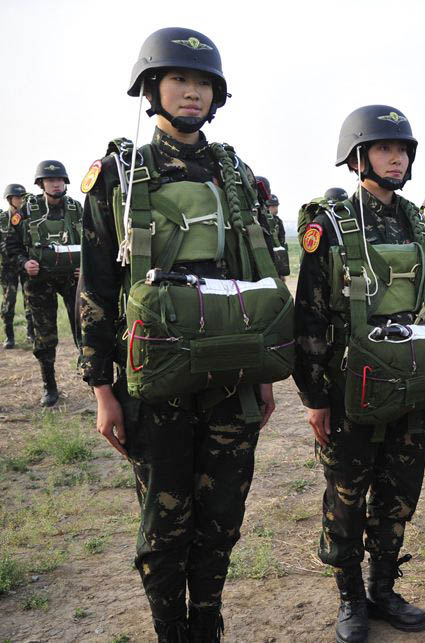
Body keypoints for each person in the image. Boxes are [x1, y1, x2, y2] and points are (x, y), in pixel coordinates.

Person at [80, 27, 281, 641]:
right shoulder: (120, 170)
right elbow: (94, 283)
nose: (191, 92)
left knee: (221, 515)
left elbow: (254, 270)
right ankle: (170, 627)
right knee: (164, 520)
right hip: (154, 378)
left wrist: (265, 374)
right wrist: (102, 388)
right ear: (152, 87)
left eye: (203, 83)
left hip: (229, 373)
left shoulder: (233, 171)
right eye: (179, 80)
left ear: (216, 96)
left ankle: (207, 622)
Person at [295, 105, 425, 642]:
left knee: (398, 494)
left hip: (410, 382)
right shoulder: (331, 223)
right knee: (346, 495)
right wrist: (315, 396)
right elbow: (310, 315)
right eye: (385, 148)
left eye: (403, 149)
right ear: (358, 156)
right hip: (349, 388)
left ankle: (384, 589)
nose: (397, 158)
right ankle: (350, 597)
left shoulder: (417, 224)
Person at [5, 161, 82, 406]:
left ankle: (93, 381)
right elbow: (10, 244)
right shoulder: (26, 210)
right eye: (50, 180)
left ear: (66, 182)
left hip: (73, 279)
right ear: (41, 184)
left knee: (85, 330)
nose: (56, 184)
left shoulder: (76, 208)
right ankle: (50, 386)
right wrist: (24, 262)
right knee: (45, 336)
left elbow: (94, 241)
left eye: (60, 180)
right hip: (39, 280)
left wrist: (87, 268)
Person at [1, 183, 33, 348]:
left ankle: (31, 334)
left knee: (30, 299)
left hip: (25, 263)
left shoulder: (28, 217)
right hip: (7, 266)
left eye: (22, 197)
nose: (21, 200)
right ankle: (9, 336)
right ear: (9, 199)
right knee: (9, 300)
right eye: (17, 197)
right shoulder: (2, 219)